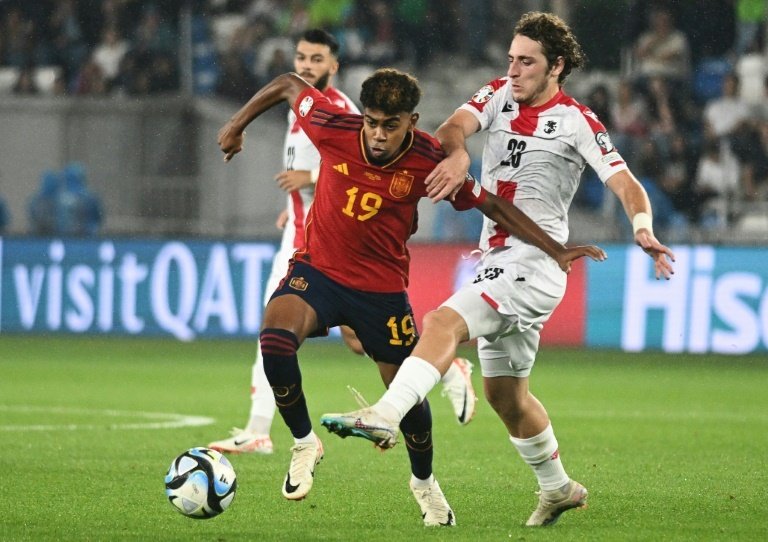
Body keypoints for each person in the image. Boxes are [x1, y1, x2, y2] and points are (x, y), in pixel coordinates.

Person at [320, 11, 675, 528]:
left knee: (443, 321)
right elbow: (450, 129)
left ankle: (385, 414)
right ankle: (558, 489)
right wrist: (460, 154)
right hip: (497, 258)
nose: (513, 70)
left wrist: (642, 227)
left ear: (556, 67)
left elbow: (624, 183)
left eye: (526, 62)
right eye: (510, 59)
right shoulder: (497, 95)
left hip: (536, 260)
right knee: (505, 395)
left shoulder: (578, 120)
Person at [217, 65, 604, 524]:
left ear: (412, 122)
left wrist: (555, 248)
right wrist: (237, 123)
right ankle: (304, 443)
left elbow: (492, 205)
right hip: (317, 271)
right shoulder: (331, 126)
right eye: (371, 122)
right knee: (275, 340)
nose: (378, 135)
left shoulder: (427, 161)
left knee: (411, 407)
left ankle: (424, 484)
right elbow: (286, 83)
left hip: (381, 293)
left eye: (390, 125)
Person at [208, 29, 478, 457]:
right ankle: (440, 367)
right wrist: (295, 202)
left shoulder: (340, 111)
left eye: (317, 59)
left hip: (328, 248)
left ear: (334, 66)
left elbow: (358, 169)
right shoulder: (300, 112)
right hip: (304, 234)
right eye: (301, 57)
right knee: (350, 340)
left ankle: (261, 428)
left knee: (280, 331)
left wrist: (309, 182)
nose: (306, 66)